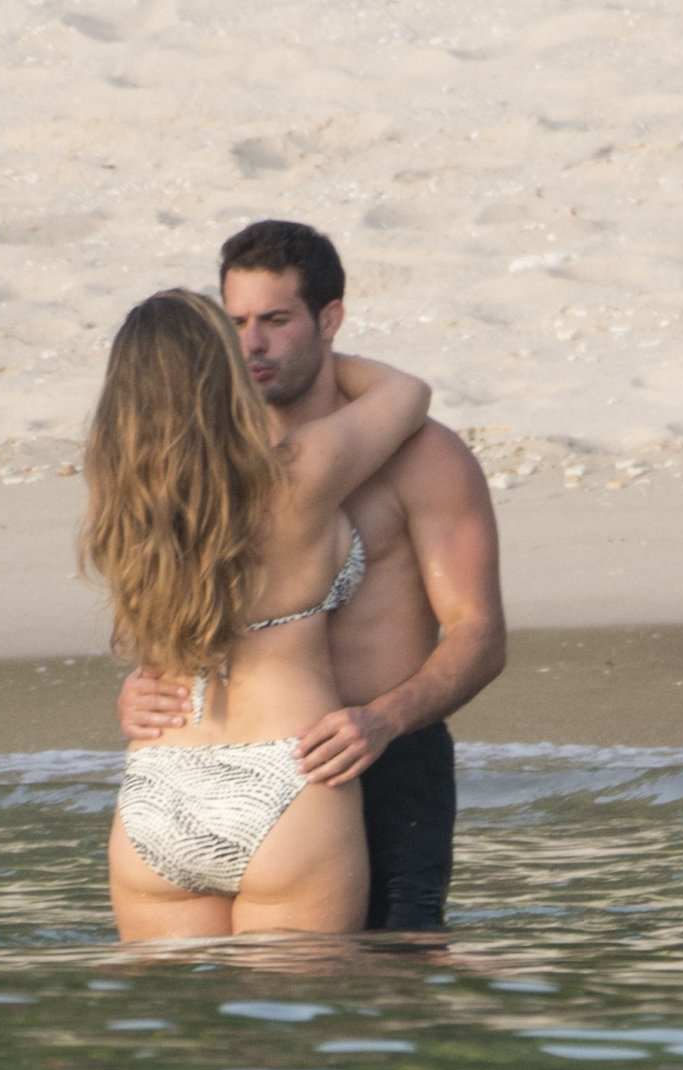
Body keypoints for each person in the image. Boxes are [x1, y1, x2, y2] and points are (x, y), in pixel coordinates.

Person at [119, 222, 505, 930]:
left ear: (329, 320)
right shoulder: (210, 464)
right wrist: (142, 683)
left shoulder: (424, 459)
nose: (252, 344)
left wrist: (384, 720)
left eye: (275, 320)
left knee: (397, 978)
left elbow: (479, 635)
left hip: (385, 757)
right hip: (255, 763)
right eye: (234, 323)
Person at [80, 288, 430, 941]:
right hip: (288, 773)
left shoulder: (120, 501)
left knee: (172, 1010)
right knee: (294, 1009)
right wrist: (324, 356)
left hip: (160, 783)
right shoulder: (301, 472)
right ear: (225, 372)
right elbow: (407, 393)